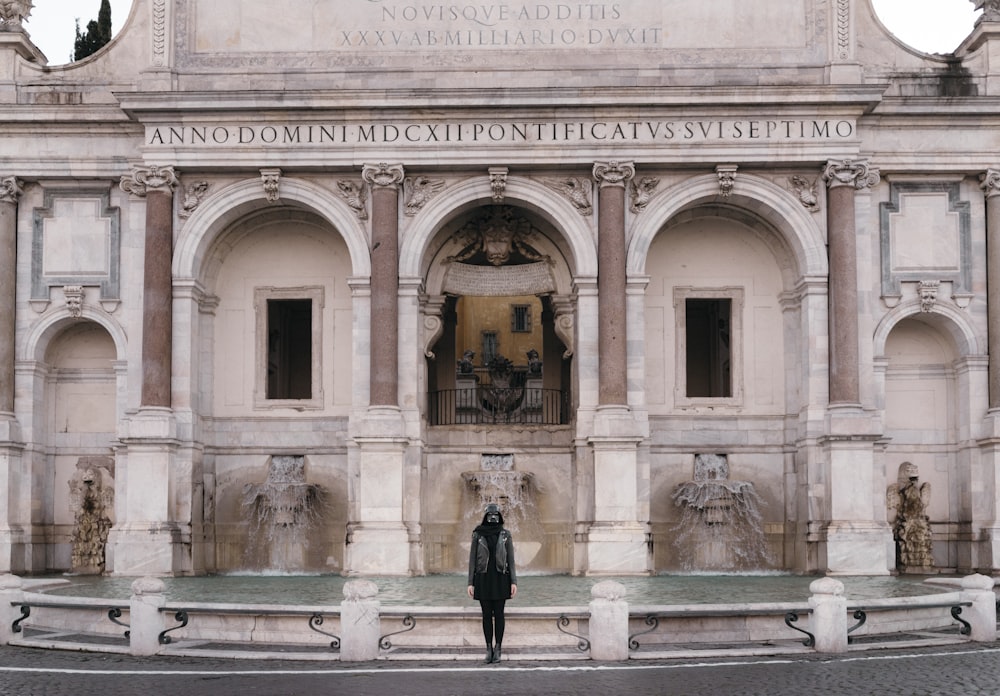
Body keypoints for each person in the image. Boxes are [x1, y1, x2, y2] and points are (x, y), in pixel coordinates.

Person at [467, 503, 517, 663]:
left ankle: (498, 649)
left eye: (495, 515)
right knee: (486, 616)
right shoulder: (477, 534)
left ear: (500, 516)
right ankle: (488, 649)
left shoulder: (505, 535)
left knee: (500, 615)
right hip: (482, 578)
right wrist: (470, 582)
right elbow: (472, 560)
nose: (493, 517)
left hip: (501, 577)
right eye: (490, 515)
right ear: (485, 516)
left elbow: (511, 560)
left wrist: (513, 581)